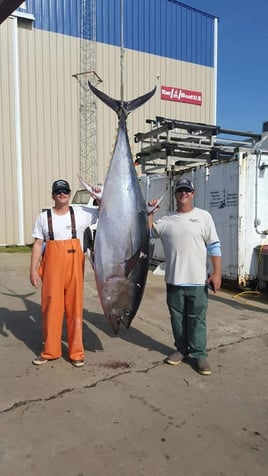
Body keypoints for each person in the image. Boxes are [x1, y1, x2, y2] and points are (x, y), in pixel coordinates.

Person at [148, 178, 222, 375]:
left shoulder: (204, 217)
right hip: (174, 281)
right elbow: (147, 234)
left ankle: (199, 354)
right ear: (175, 194)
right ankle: (182, 350)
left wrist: (217, 273)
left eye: (187, 191)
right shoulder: (166, 221)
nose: (184, 194)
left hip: (198, 281)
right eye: (180, 190)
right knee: (177, 319)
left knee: (197, 319)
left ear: (193, 193)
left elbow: (214, 245)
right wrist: (151, 213)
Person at [30, 179, 100, 368]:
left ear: (69, 194)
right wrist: (33, 270)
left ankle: (76, 353)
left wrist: (98, 195)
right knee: (51, 309)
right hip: (52, 270)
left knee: (75, 311)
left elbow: (105, 209)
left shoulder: (82, 213)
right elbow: (38, 244)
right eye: (58, 191)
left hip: (74, 268)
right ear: (53, 195)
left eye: (65, 191)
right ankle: (51, 351)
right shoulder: (44, 218)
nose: (62, 194)